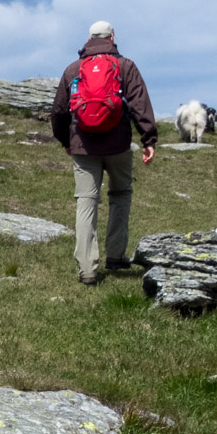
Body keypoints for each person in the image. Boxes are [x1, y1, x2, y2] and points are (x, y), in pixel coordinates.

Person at [50, 21, 157, 284]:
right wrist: (148, 139)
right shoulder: (125, 66)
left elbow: (59, 112)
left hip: (83, 146)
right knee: (120, 194)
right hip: (118, 145)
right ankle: (116, 256)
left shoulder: (73, 69)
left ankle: (87, 269)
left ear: (88, 39)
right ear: (112, 37)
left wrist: (66, 140)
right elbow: (140, 103)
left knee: (86, 201)